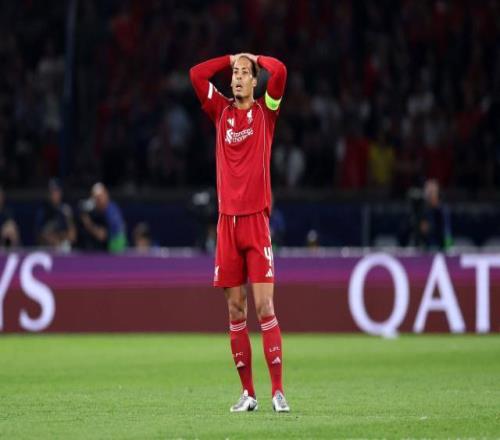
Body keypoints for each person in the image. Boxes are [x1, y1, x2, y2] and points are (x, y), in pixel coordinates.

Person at [190, 53, 289, 412]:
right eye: (234, 72)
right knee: (235, 310)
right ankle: (248, 394)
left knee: (264, 306)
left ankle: (277, 391)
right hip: (227, 224)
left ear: (255, 81)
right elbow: (196, 75)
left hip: (256, 222)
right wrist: (230, 57)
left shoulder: (266, 111)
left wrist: (255, 58)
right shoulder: (221, 111)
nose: (237, 77)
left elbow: (281, 71)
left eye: (245, 73)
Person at [80, 182, 127, 253]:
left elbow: (102, 236)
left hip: (115, 249)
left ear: (106, 195)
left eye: (100, 197)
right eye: (97, 198)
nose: (99, 200)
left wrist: (88, 224)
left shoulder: (111, 211)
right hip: (106, 249)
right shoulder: (99, 210)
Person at [35, 179, 76, 250]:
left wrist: (69, 218)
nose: (55, 194)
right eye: (52, 192)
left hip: (64, 247)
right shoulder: (43, 211)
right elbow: (39, 235)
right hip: (47, 249)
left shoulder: (65, 210)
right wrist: (54, 241)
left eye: (57, 191)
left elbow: (73, 237)